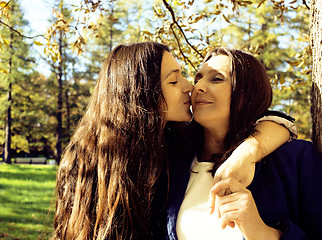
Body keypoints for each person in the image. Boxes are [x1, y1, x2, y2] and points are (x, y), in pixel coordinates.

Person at [52, 42, 295, 240]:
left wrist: (248, 152)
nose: (193, 86)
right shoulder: (161, 156)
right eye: (174, 80)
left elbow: (279, 121)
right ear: (143, 93)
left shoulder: (290, 160)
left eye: (216, 79)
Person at [167, 47, 322, 240]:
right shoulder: (171, 162)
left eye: (216, 78)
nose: (197, 87)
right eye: (198, 78)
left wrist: (262, 232)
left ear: (247, 93)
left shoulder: (296, 159)